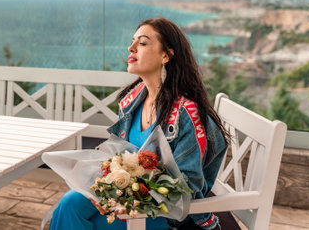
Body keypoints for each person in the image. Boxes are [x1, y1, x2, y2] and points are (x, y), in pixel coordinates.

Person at [50, 17, 229, 230]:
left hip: (161, 212)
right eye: (133, 41)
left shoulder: (186, 114)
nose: (131, 48)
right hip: (129, 200)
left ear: (166, 55)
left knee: (77, 222)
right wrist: (105, 188)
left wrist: (133, 200)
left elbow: (187, 186)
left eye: (142, 43)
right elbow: (121, 156)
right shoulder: (131, 100)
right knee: (70, 203)